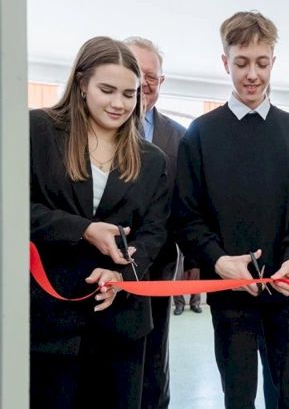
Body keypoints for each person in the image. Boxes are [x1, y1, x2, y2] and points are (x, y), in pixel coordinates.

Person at [172, 11, 289, 408]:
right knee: (238, 398)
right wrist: (218, 260)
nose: (252, 74)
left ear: (274, 62)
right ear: (225, 62)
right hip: (229, 296)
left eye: (261, 63)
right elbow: (187, 216)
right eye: (241, 63)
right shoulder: (200, 134)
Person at [30, 36, 170, 408]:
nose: (119, 104)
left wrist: (123, 275)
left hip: (121, 327)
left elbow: (155, 232)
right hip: (48, 320)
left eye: (129, 94)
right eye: (107, 90)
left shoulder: (152, 159)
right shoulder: (36, 131)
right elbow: (14, 207)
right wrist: (84, 230)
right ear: (81, 83)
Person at [123, 36, 190, 409]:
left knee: (154, 358)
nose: (143, 83)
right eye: (136, 72)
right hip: (102, 263)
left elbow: (186, 205)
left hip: (158, 267)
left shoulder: (179, 137)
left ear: (161, 82)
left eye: (151, 76)